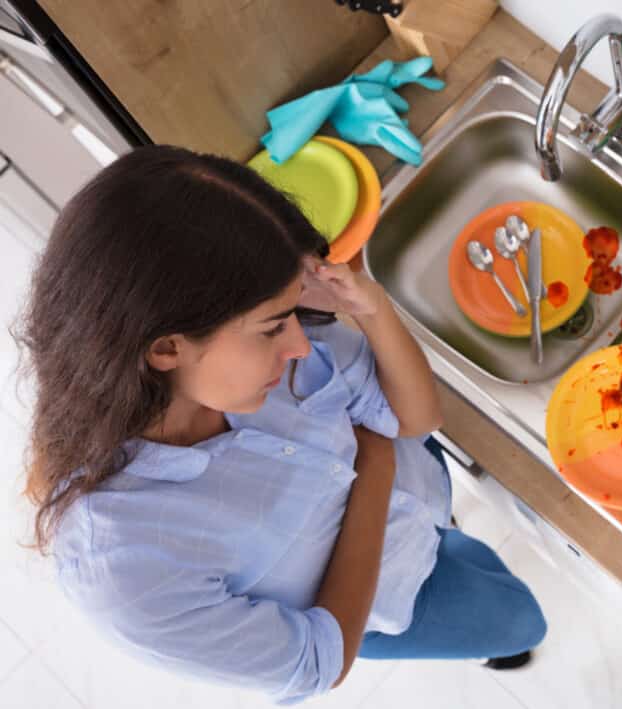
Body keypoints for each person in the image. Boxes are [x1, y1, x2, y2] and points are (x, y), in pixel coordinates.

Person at [15, 145, 546, 704]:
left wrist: (374, 311)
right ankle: (494, 643)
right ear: (167, 348)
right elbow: (317, 657)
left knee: (458, 539)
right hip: (393, 597)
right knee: (520, 621)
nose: (297, 344)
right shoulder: (124, 570)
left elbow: (413, 420)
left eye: (290, 314)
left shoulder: (270, 333)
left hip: (419, 493)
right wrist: (375, 464)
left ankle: (451, 540)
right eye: (271, 328)